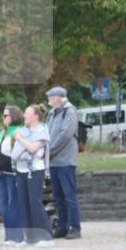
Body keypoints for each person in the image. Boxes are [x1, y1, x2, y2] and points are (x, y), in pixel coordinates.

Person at [11, 103, 53, 247]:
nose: (24, 116)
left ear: (35, 116)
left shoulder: (42, 131)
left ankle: (46, 237)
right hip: (21, 170)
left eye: (27, 114)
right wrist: (21, 141)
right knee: (24, 203)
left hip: (35, 170)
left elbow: (33, 148)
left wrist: (20, 139)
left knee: (35, 203)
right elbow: (16, 152)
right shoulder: (23, 130)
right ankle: (30, 238)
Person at [45, 86, 81, 239]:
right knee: (58, 196)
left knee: (69, 196)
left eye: (51, 97)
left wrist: (51, 151)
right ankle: (63, 226)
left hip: (65, 161)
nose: (49, 100)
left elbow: (65, 135)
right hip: (53, 162)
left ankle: (75, 227)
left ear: (59, 98)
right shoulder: (52, 113)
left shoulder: (69, 111)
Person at [0, 106, 24, 245]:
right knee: (4, 205)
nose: (3, 118)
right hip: (2, 174)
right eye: (3, 115)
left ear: (13, 116)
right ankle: (9, 234)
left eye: (6, 116)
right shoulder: (4, 132)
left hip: (13, 174)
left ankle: (17, 235)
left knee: (13, 204)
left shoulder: (18, 132)